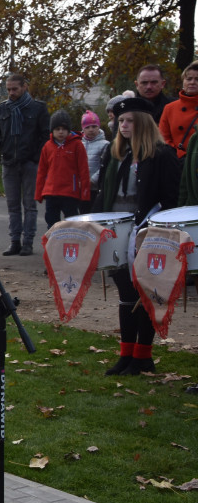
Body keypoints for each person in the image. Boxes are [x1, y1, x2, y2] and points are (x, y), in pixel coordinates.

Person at [100, 97, 181, 375]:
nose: (123, 125)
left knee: (145, 293)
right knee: (125, 293)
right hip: (117, 233)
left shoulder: (162, 155)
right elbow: (103, 196)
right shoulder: (114, 156)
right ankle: (126, 354)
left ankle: (143, 356)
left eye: (130, 120)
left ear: (143, 123)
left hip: (147, 233)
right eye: (120, 120)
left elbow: (172, 201)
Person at [0, 73, 50, 256]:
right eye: (8, 89)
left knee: (30, 205)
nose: (11, 93)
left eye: (14, 89)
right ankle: (14, 241)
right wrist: (2, 146)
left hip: (30, 163)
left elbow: (45, 135)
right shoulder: (3, 109)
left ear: (24, 87)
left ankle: (28, 242)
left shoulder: (38, 108)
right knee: (12, 205)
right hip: (9, 162)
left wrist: (35, 157)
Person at [35, 109, 90, 227]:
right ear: (52, 130)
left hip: (70, 193)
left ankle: (72, 243)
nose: (61, 132)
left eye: (64, 129)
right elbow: (42, 171)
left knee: (72, 222)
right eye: (57, 129)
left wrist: (85, 192)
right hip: (51, 192)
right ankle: (53, 243)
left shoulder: (77, 145)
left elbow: (83, 170)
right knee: (51, 221)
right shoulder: (47, 146)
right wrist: (39, 193)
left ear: (68, 130)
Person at [158, 59, 198, 161]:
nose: (192, 82)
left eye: (197, 79)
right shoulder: (169, 108)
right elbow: (163, 137)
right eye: (189, 79)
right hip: (176, 162)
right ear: (183, 81)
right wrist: (179, 154)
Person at [80, 110, 109, 212]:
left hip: (96, 188)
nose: (91, 130)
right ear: (83, 129)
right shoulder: (79, 145)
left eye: (94, 126)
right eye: (87, 127)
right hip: (82, 187)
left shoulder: (105, 144)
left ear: (98, 127)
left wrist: (92, 180)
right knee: (83, 213)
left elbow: (104, 165)